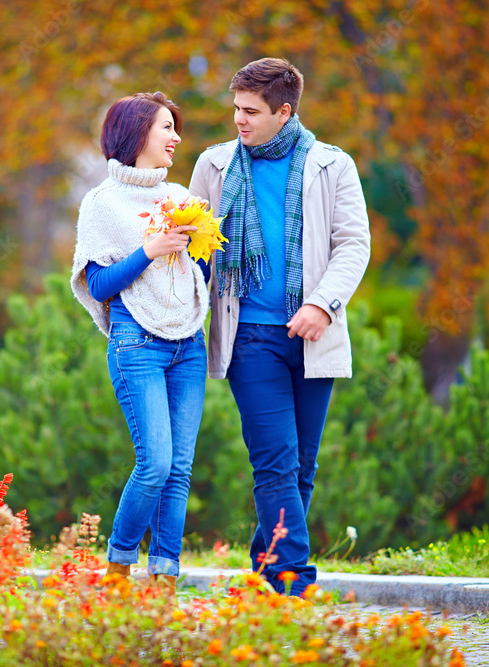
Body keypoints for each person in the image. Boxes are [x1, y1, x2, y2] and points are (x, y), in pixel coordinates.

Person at [189, 58, 371, 596]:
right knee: (275, 461)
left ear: (283, 111)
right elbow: (197, 246)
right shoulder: (214, 166)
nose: (239, 121)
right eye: (236, 109)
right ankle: (294, 583)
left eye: (251, 111)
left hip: (312, 333)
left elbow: (353, 245)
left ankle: (266, 573)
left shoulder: (332, 166)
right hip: (249, 337)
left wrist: (321, 304)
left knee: (301, 467)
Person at [70, 91, 211, 598]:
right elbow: (100, 287)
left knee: (178, 469)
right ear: (136, 134)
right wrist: (150, 249)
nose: (175, 137)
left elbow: (198, 274)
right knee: (154, 462)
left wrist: (200, 249)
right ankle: (119, 566)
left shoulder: (180, 198)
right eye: (165, 128)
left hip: (187, 343)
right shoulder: (101, 203)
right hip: (137, 344)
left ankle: (165, 579)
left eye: (176, 128)